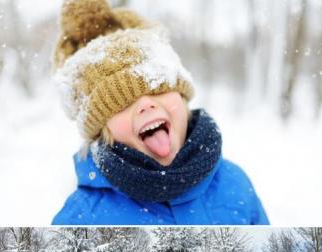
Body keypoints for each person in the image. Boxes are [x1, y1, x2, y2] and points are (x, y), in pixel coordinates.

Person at [50, 0, 268, 225]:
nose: (145, 104)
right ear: (101, 130)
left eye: (157, 87)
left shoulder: (234, 184)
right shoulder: (82, 218)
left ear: (182, 98)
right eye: (122, 104)